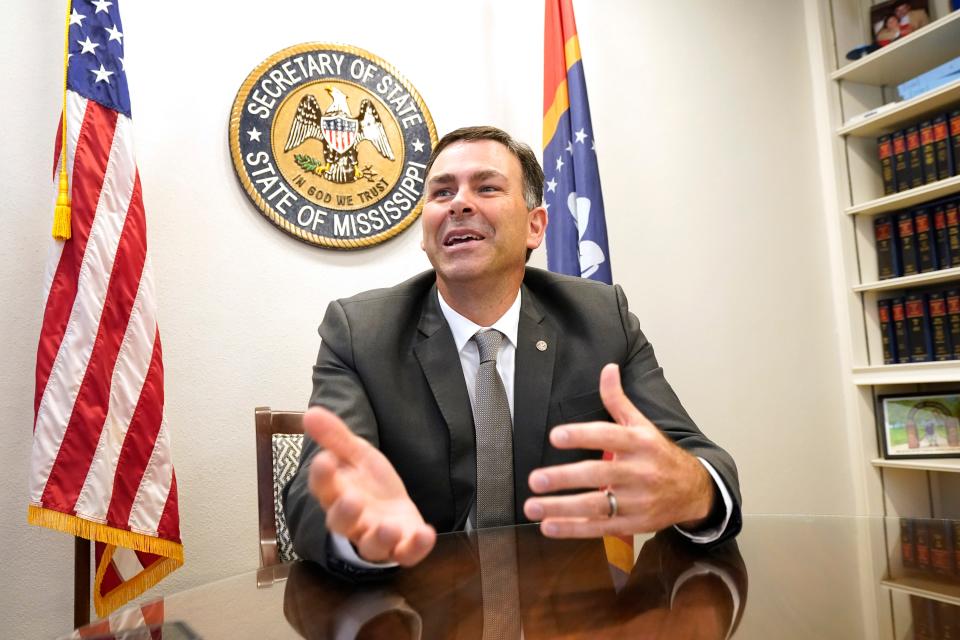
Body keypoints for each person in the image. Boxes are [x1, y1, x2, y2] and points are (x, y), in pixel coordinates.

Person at [283, 126, 742, 572]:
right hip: (416, 606)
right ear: (425, 236)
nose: (459, 203)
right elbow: (312, 494)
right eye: (441, 193)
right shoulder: (361, 332)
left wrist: (695, 489)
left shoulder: (602, 319)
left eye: (486, 187)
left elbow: (695, 454)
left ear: (535, 226)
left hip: (570, 612)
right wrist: (361, 533)